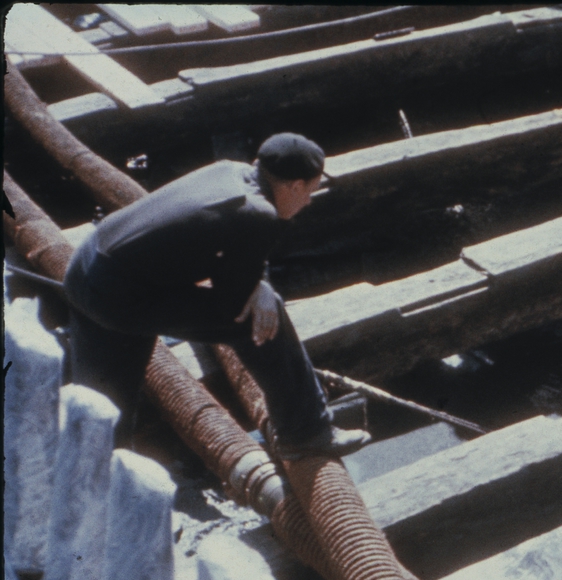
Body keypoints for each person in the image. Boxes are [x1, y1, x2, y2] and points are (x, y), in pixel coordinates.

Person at [63, 132, 369, 458]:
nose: (308, 202)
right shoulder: (258, 213)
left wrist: (258, 284)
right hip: (118, 295)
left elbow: (236, 254)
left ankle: (88, 468)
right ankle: (306, 432)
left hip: (84, 270)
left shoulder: (229, 169)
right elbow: (235, 304)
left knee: (103, 407)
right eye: (310, 191)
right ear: (295, 186)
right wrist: (263, 293)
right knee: (263, 318)